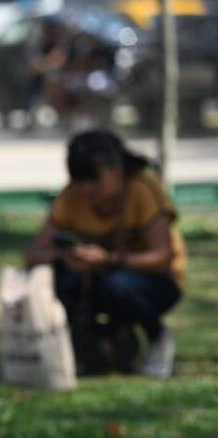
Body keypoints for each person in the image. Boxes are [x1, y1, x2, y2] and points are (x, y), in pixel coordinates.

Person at [26, 129, 185, 378]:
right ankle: (86, 349)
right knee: (61, 279)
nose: (86, 189)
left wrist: (108, 259)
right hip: (97, 281)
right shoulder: (71, 197)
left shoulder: (142, 188)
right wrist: (64, 257)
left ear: (116, 170)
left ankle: (157, 336)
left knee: (117, 286)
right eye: (79, 180)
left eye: (93, 179)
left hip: (155, 281)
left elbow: (164, 256)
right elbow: (34, 253)